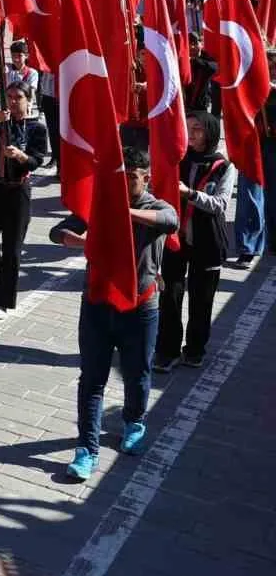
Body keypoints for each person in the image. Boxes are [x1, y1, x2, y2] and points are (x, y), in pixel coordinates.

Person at [56, 147, 178, 481]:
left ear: (147, 177)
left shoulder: (156, 207)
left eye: (133, 179)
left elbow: (171, 221)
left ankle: (134, 422)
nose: (125, 186)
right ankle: (86, 448)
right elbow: (59, 231)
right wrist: (86, 242)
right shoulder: (97, 204)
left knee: (137, 373)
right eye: (119, 180)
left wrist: (124, 214)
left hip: (140, 307)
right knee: (92, 379)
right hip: (97, 304)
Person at [155, 111, 234, 371]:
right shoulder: (177, 158)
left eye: (198, 128)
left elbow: (220, 204)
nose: (192, 134)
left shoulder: (223, 165)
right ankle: (168, 349)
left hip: (207, 240)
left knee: (201, 299)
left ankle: (195, 349)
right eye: (187, 128)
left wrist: (189, 194)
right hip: (176, 239)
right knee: (170, 296)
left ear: (210, 132)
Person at [0, 81, 50, 319]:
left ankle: (2, 301)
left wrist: (21, 156)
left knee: (12, 250)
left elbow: (36, 161)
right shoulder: (2, 122)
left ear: (28, 100)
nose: (13, 101)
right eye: (9, 96)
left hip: (17, 192)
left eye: (18, 96)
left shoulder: (36, 129)